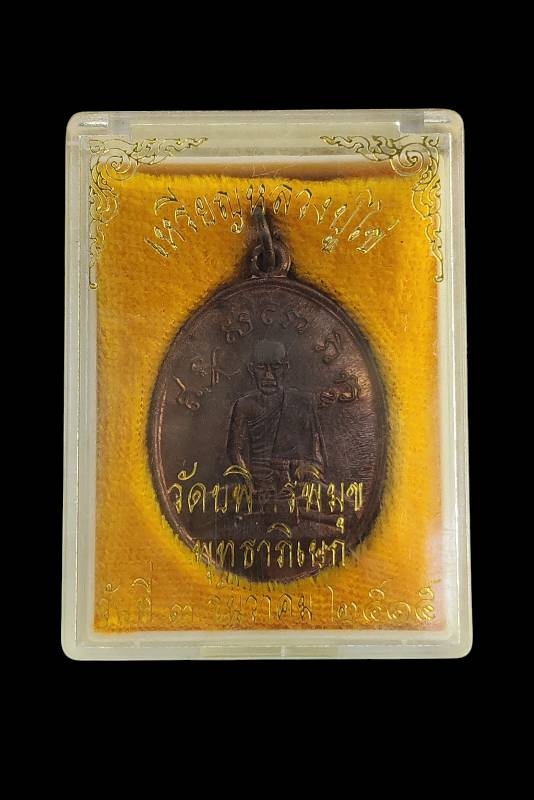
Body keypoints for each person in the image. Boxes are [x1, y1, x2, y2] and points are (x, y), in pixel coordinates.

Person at [227, 339, 326, 492]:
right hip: (257, 485)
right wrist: (249, 484)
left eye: (275, 367)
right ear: (252, 369)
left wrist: (301, 472)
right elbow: (234, 451)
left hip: (295, 484)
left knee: (344, 502)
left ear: (285, 368)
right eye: (261, 367)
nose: (268, 375)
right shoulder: (244, 405)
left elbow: (316, 457)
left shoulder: (303, 403)